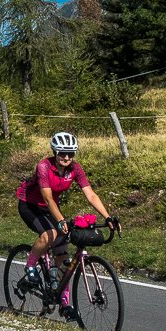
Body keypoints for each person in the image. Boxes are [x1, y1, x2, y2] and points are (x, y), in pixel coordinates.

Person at [15, 131, 119, 318]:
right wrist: (61, 220)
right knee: (50, 235)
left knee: (63, 257)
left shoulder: (75, 169)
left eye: (70, 153)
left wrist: (108, 217)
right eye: (62, 153)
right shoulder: (44, 167)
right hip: (30, 204)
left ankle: (64, 303)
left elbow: (90, 195)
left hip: (51, 207)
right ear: (55, 152)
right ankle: (30, 266)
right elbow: (47, 198)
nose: (66, 157)